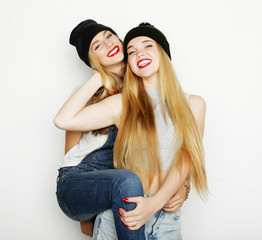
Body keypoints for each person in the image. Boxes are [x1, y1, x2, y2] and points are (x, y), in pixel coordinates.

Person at [55, 19, 189, 239]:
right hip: (78, 182)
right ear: (92, 60)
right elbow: (70, 153)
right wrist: (89, 212)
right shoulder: (87, 93)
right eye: (97, 46)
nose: (107, 44)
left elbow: (170, 143)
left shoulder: (145, 84)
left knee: (126, 182)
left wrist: (184, 185)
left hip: (122, 186)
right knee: (126, 181)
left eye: (109, 36)